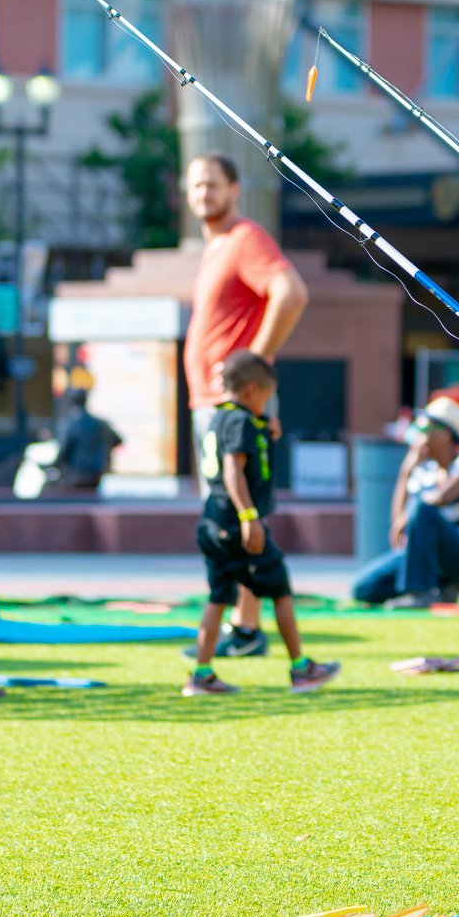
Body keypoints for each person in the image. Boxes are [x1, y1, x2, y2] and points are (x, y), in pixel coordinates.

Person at [184, 152, 310, 659]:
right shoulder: (214, 248)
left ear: (235, 188)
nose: (203, 194)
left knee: (236, 508)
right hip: (212, 405)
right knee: (227, 510)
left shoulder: (245, 240)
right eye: (195, 186)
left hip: (229, 405)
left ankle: (246, 628)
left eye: (213, 184)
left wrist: (255, 363)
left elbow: (291, 292)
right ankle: (244, 625)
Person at [186, 351, 339, 697]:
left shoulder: (222, 418)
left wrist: (267, 432)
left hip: (213, 520)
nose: (266, 407)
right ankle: (301, 668)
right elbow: (233, 469)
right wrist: (249, 516)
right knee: (280, 588)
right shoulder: (241, 422)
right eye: (266, 399)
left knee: (219, 596)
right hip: (237, 522)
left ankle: (202, 673)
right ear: (252, 391)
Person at [350, 397, 459, 609]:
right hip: (427, 555)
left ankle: (420, 592)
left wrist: (409, 516)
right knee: (364, 588)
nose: (419, 434)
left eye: (426, 428)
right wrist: (406, 470)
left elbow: (441, 498)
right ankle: (441, 588)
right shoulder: (423, 472)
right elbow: (398, 522)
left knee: (422, 507)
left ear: (444, 434)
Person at [49, 388, 122, 491]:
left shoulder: (72, 425)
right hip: (97, 473)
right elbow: (118, 440)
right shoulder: (100, 424)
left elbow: (65, 451)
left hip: (78, 474)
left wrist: (55, 465)